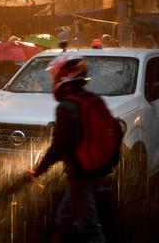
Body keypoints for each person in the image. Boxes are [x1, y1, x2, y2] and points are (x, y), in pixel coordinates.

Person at [28, 53, 118, 243]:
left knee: (89, 228)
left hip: (80, 175)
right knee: (65, 217)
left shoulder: (67, 107)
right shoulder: (92, 98)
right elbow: (115, 130)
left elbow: (58, 146)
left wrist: (39, 170)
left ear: (65, 76)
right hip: (95, 172)